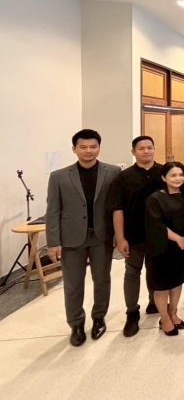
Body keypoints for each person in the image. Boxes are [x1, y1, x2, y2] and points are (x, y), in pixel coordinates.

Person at [46, 129, 121, 346]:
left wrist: (119, 234)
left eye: (93, 146)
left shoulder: (113, 172)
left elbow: (118, 206)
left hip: (102, 236)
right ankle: (76, 323)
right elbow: (53, 211)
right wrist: (53, 242)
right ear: (74, 149)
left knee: (102, 280)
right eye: (83, 147)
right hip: (71, 238)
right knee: (73, 284)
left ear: (99, 148)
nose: (88, 151)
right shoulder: (59, 176)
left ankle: (99, 317)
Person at [108, 135, 163, 337]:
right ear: (133, 152)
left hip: (159, 235)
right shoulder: (123, 177)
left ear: (154, 149)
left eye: (149, 147)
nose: (146, 151)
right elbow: (117, 209)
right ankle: (132, 313)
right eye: (141, 148)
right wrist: (120, 237)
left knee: (155, 270)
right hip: (134, 235)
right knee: (132, 272)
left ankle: (154, 302)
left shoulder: (164, 172)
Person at [144, 161, 184, 336]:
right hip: (161, 247)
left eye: (181, 175)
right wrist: (178, 239)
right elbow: (156, 225)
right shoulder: (155, 199)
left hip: (182, 247)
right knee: (162, 285)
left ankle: (173, 313)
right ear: (163, 178)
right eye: (173, 175)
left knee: (177, 281)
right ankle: (164, 318)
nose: (178, 178)